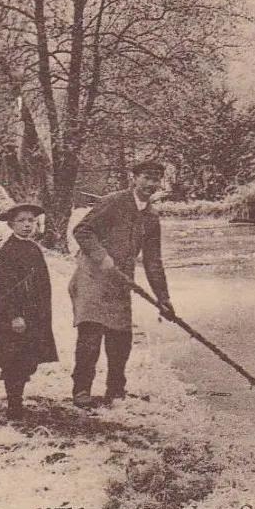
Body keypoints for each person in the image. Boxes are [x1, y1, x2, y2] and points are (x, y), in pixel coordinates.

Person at [68, 160, 174, 408]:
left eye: (156, 179)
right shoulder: (114, 202)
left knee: (121, 339)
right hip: (91, 278)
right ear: (134, 178)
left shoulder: (151, 217)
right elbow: (82, 230)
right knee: (91, 335)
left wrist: (164, 298)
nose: (151, 184)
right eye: (146, 177)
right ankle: (81, 390)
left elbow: (153, 261)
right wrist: (101, 256)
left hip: (120, 282)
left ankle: (115, 391)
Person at [0, 202, 59, 419]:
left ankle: (17, 398)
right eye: (21, 221)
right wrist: (14, 316)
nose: (27, 225)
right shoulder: (8, 251)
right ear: (11, 225)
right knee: (14, 360)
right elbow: (4, 288)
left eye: (31, 220)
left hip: (34, 315)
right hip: (16, 317)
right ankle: (14, 404)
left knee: (29, 358)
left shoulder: (33, 248)